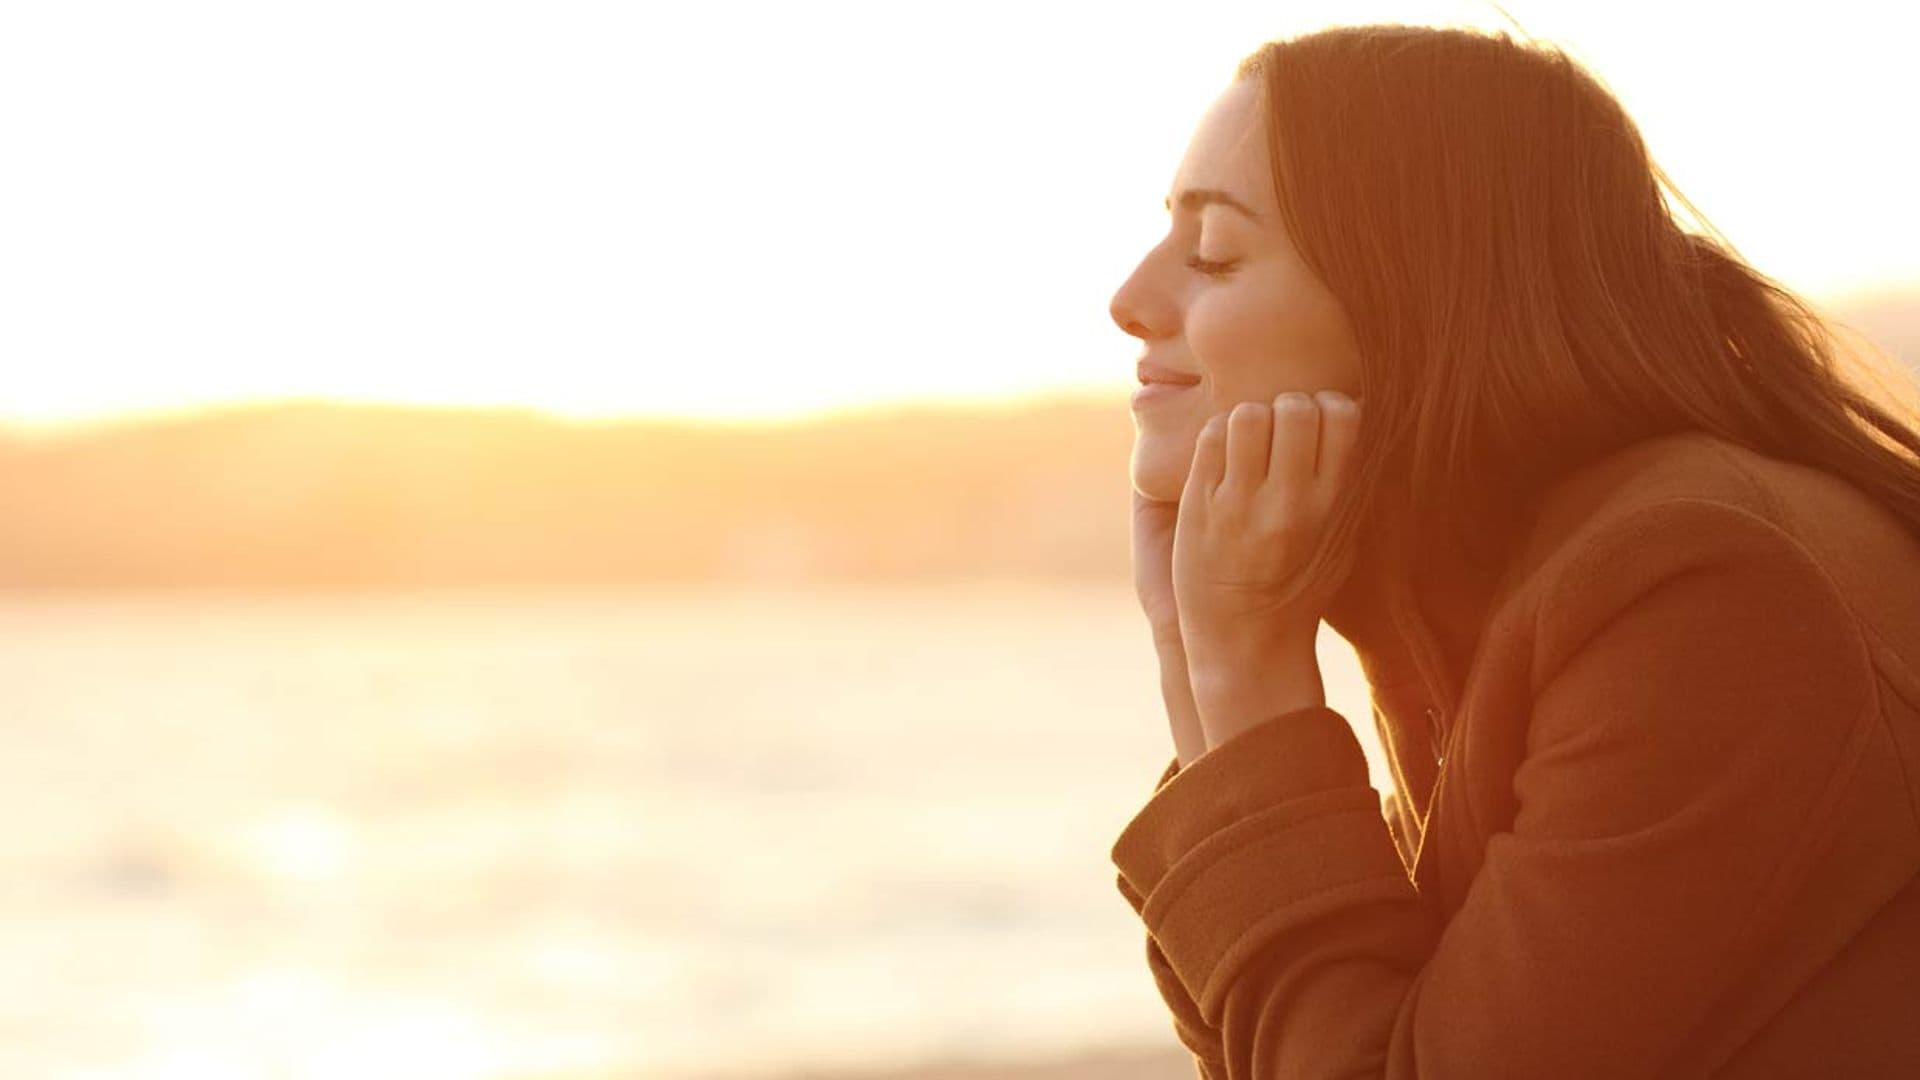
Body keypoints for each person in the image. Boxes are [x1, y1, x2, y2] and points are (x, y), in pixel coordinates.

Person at [1106, 24, 1920, 1079]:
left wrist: (1249, 673)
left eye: (1213, 252)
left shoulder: (1699, 591)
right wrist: (1192, 651)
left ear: (1418, 291)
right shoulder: (1486, 601)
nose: (1129, 299)